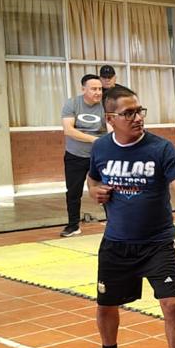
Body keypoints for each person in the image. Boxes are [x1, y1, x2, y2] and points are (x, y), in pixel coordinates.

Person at [82, 86, 175, 348]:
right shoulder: (100, 148)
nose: (137, 118)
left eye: (139, 111)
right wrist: (94, 191)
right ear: (110, 118)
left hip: (157, 243)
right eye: (128, 113)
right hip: (116, 243)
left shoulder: (161, 149)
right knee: (105, 305)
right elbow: (93, 179)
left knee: (172, 306)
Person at [60, 73, 106, 238]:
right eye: (93, 89)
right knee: (73, 191)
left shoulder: (106, 105)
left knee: (107, 188)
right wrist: (95, 140)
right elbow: (68, 130)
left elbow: (111, 129)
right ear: (83, 89)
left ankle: (114, 221)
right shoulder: (72, 103)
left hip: (99, 156)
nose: (98, 92)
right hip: (75, 155)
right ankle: (73, 225)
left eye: (100, 89)